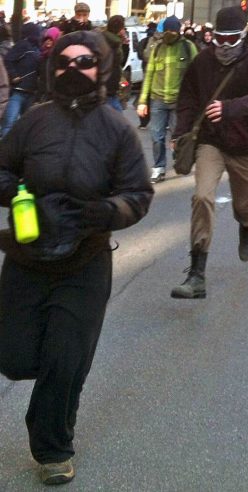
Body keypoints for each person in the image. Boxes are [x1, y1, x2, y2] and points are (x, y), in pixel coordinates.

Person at [0, 30, 153, 485]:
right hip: (27, 255)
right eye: (64, 60)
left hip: (85, 260)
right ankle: (47, 393)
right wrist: (19, 193)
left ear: (101, 68)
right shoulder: (33, 121)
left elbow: (138, 195)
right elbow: (2, 168)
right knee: (13, 355)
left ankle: (53, 446)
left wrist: (102, 211)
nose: (73, 69)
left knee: (66, 359)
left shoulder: (117, 130)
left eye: (84, 61)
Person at [170, 6, 248, 299]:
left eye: (231, 39)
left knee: (244, 205)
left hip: (245, 145)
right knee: (202, 196)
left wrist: (231, 108)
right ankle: (196, 274)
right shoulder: (203, 60)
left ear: (242, 36)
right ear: (212, 35)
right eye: (219, 38)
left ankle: (246, 225)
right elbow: (188, 97)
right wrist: (180, 131)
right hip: (211, 141)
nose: (225, 45)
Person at [137, 15, 197, 183]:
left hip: (179, 101)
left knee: (177, 137)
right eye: (167, 30)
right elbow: (149, 75)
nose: (170, 33)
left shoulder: (188, 47)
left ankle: (178, 159)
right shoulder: (157, 48)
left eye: (173, 30)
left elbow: (197, 73)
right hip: (158, 99)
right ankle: (159, 168)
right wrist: (142, 101)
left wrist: (195, 100)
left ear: (179, 31)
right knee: (157, 137)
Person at [1, 22, 40, 137]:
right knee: (9, 123)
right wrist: (14, 76)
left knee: (25, 123)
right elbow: (8, 60)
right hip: (18, 91)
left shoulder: (37, 48)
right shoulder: (22, 45)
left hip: (31, 92)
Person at [102, 14, 127, 112]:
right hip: (109, 89)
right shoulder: (113, 43)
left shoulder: (110, 40)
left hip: (109, 88)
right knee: (118, 121)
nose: (124, 31)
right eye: (123, 28)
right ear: (119, 29)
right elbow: (118, 62)